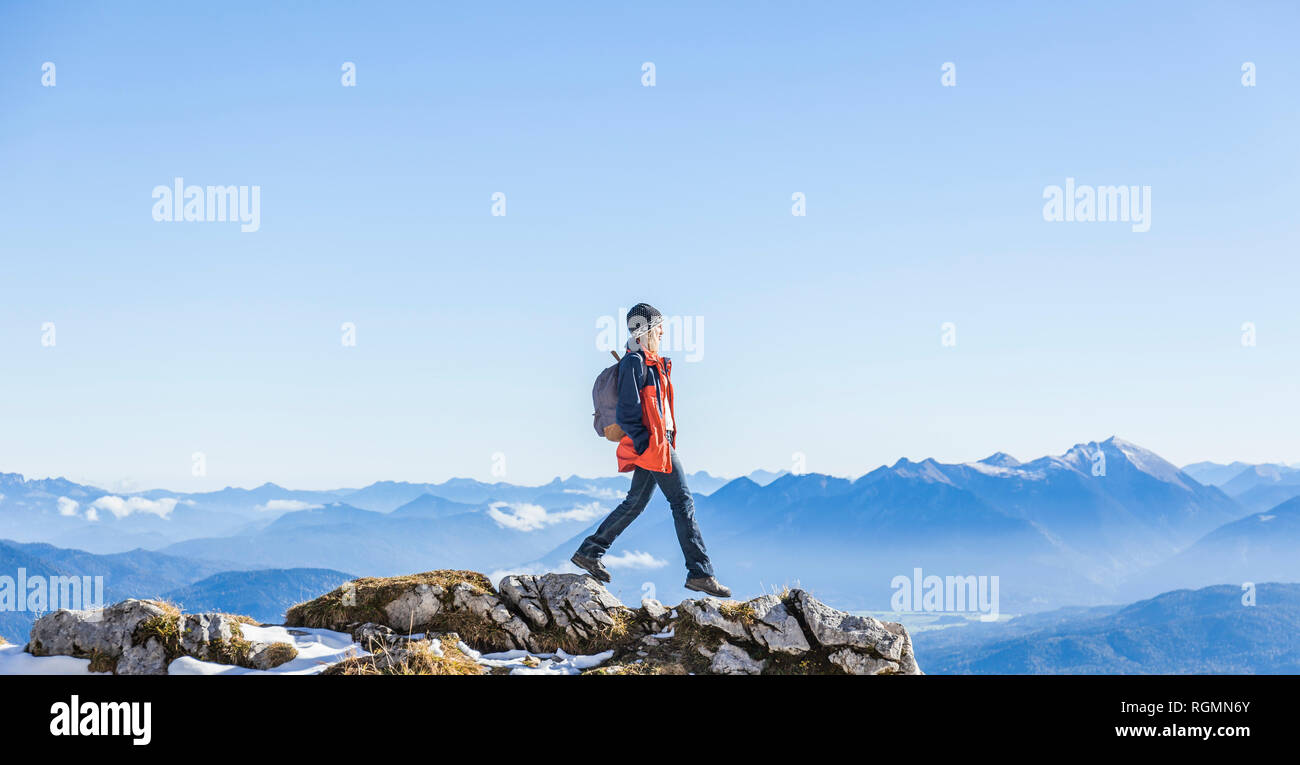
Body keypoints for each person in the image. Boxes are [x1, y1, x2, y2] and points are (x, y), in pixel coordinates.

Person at [571, 303, 732, 598]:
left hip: (659, 443)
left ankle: (590, 552)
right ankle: (701, 573)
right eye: (658, 328)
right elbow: (628, 410)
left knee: (635, 503)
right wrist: (648, 444)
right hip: (656, 445)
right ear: (645, 331)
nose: (661, 333)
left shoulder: (653, 363)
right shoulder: (636, 363)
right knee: (683, 503)